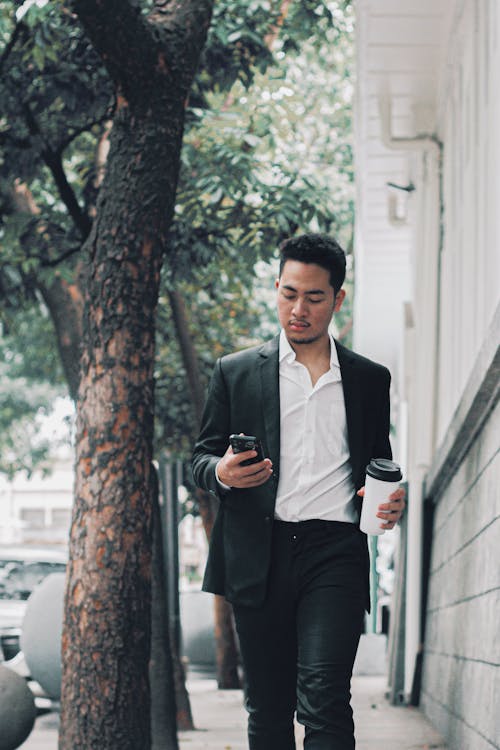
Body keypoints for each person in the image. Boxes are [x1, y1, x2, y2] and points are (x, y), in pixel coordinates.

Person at [192, 233, 406, 750]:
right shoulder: (236, 372)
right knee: (267, 708)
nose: (298, 309)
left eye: (313, 297)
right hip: (257, 554)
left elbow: (378, 463)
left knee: (326, 698)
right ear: (276, 289)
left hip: (334, 553)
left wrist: (389, 498)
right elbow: (198, 459)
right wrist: (221, 473)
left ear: (338, 299)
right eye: (289, 294)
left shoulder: (368, 380)